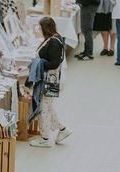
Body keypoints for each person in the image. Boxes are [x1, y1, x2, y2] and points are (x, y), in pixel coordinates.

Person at [30, 17, 72, 147]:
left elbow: (54, 63)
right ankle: (62, 129)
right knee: (47, 106)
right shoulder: (55, 38)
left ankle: (45, 138)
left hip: (50, 80)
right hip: (51, 79)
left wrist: (39, 64)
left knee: (44, 108)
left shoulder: (53, 42)